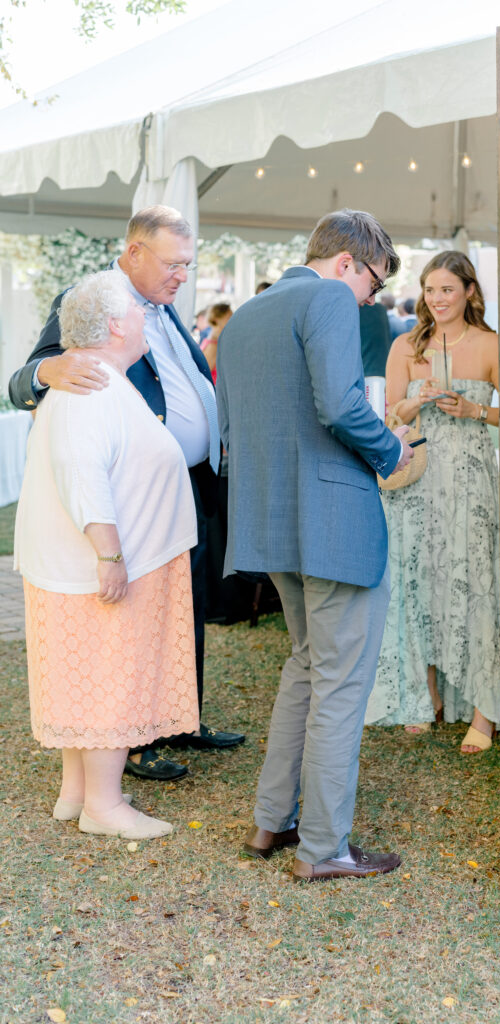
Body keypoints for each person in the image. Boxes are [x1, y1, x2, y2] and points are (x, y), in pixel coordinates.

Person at [8, 205, 245, 781]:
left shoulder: (163, 306)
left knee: (179, 604)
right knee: (133, 616)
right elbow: (24, 378)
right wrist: (48, 373)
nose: (182, 275)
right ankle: (133, 740)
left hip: (185, 480)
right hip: (129, 489)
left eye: (188, 264)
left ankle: (177, 718)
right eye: (173, 263)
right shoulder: (96, 300)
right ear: (135, 251)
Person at [216, 208, 413, 880]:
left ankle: (273, 820)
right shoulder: (329, 296)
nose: (371, 300)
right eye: (374, 284)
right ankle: (324, 847)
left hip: (272, 519)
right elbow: (337, 403)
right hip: (333, 519)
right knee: (338, 681)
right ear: (346, 263)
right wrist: (391, 451)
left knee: (305, 665)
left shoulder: (247, 313)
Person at [14, 272, 200, 839]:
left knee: (82, 678)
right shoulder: (90, 384)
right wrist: (109, 554)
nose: (146, 319)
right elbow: (80, 469)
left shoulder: (98, 379)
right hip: (103, 567)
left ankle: (77, 791)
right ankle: (105, 805)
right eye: (137, 313)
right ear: (117, 324)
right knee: (108, 682)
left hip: (98, 563)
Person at [365, 250, 500, 753]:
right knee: (416, 578)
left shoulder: (490, 344)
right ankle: (423, 693)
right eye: (429, 290)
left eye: (447, 289)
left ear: (468, 290)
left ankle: (484, 709)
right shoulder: (406, 345)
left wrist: (474, 408)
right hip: (417, 475)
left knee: (471, 578)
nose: (437, 299)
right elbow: (387, 415)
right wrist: (413, 402)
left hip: (469, 478)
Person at [200, 302, 232, 384]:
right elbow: (203, 377)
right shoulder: (213, 346)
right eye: (229, 317)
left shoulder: (215, 342)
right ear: (216, 319)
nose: (232, 320)